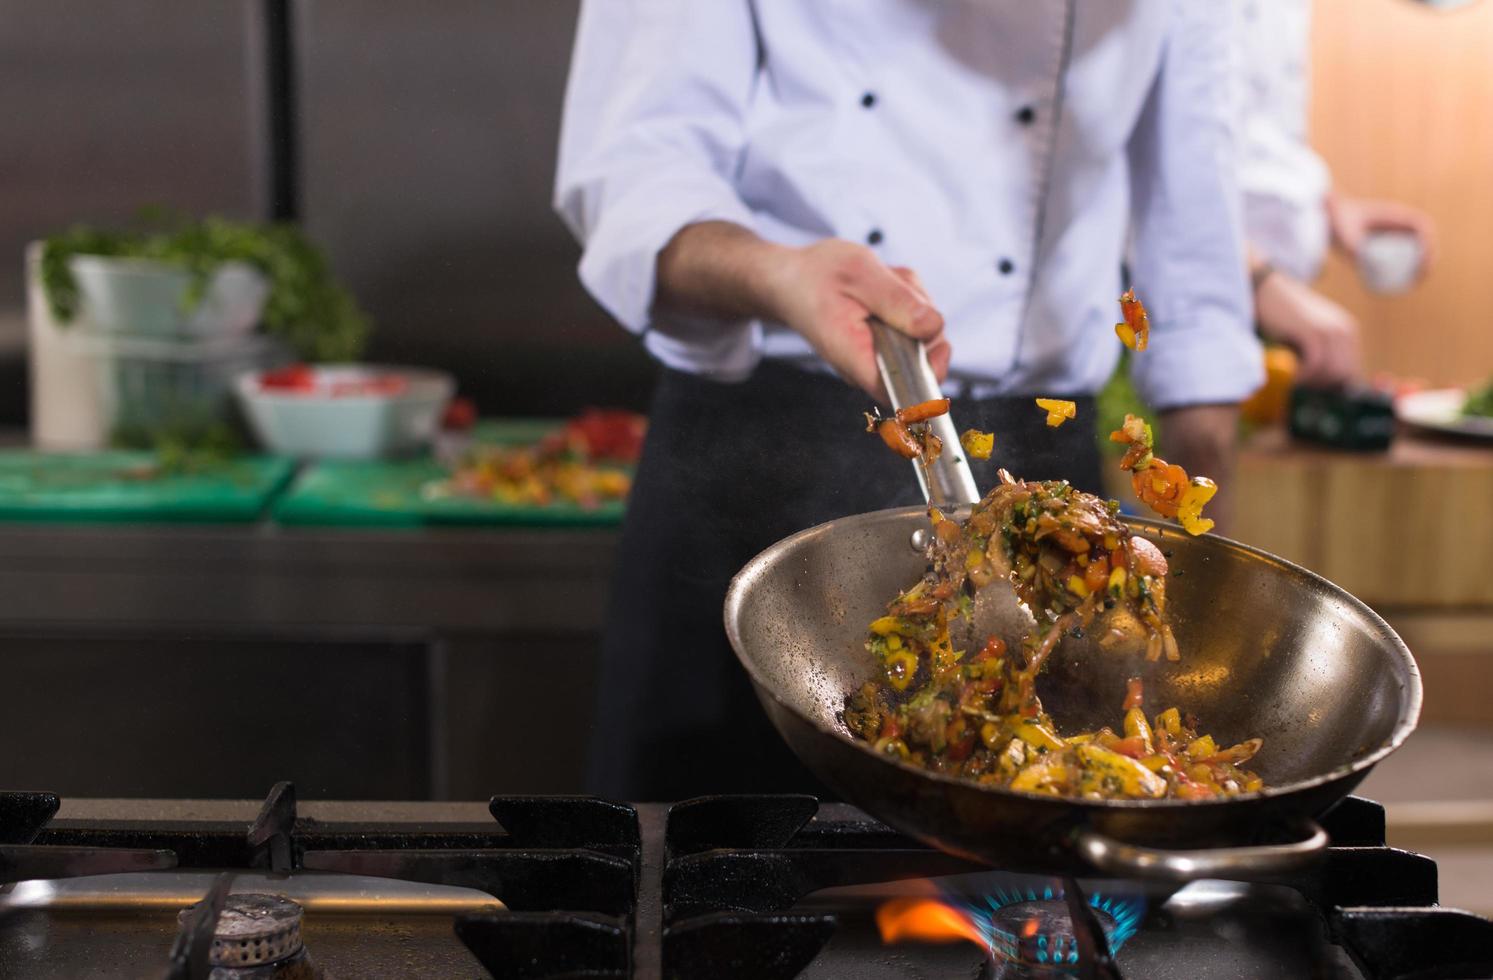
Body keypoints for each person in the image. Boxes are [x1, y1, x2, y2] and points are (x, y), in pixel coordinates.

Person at [555, 3, 1263, 800]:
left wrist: (1202, 590)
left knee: (1037, 858)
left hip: (1051, 478)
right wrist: (778, 273)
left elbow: (1193, 254)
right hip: (759, 447)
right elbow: (638, 174)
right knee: (702, 859)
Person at [1233, 0, 1437, 386]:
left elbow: (1259, 143)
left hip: (1266, 321)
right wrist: (1256, 279)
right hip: (1164, 319)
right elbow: (1142, 163)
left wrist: (1331, 209)